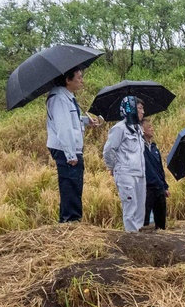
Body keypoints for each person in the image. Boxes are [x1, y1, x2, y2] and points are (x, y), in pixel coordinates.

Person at [46, 67, 103, 224]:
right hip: (66, 149)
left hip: (72, 148)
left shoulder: (68, 96)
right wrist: (70, 154)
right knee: (70, 185)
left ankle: (71, 221)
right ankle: (70, 222)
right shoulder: (58, 98)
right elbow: (63, 128)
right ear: (68, 80)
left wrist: (86, 121)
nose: (82, 80)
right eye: (78, 77)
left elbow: (71, 120)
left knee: (74, 185)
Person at [103, 97, 147, 232]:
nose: (142, 112)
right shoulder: (119, 128)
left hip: (140, 173)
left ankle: (139, 233)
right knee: (130, 205)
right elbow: (109, 150)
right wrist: (113, 167)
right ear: (131, 109)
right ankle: (132, 236)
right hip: (126, 173)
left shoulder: (138, 129)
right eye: (139, 108)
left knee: (140, 207)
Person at [141, 117, 170, 230]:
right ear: (142, 130)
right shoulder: (139, 147)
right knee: (145, 218)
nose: (152, 129)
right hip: (146, 187)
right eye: (149, 127)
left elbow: (160, 168)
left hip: (159, 186)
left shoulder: (154, 147)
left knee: (161, 218)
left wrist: (165, 186)